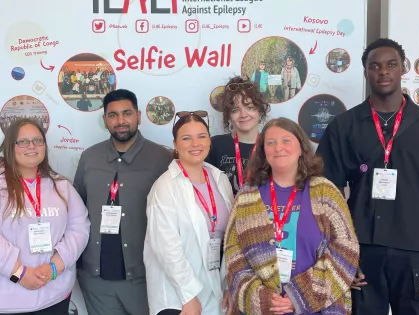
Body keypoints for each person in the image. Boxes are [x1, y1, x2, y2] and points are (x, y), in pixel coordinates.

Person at [316, 38, 419, 315]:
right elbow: (330, 195)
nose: (383, 72)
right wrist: (342, 256)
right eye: (374, 66)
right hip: (362, 252)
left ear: (403, 68)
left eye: (391, 65)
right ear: (366, 72)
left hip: (416, 255)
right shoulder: (344, 127)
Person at [0, 118, 90, 315]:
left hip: (51, 299)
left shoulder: (61, 186)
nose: (31, 146)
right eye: (22, 141)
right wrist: (18, 273)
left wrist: (55, 267)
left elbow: (79, 228)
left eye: (37, 140)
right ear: (9, 146)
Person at [225, 117, 360, 315]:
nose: (278, 147)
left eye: (286, 140)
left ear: (301, 147)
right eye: (270, 143)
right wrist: (261, 300)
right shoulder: (247, 195)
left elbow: (346, 249)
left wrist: (299, 297)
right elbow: (233, 252)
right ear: (264, 151)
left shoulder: (325, 192)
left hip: (319, 308)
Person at [74, 89, 173, 315]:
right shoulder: (89, 157)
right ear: (105, 120)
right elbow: (76, 214)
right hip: (96, 280)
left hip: (144, 279)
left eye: (127, 113)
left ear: (138, 116)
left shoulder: (162, 159)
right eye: (113, 115)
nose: (120, 121)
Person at [144, 111, 234, 315]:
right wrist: (189, 296)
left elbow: (230, 238)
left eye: (201, 136)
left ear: (209, 141)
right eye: (186, 138)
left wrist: (229, 284)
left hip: (214, 291)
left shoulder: (219, 179)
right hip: (177, 297)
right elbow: (166, 248)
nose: (196, 144)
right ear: (175, 144)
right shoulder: (165, 187)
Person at [207, 76, 270, 195]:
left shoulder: (271, 145)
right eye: (235, 110)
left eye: (250, 107)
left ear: (260, 111)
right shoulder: (215, 145)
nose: (243, 114)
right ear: (229, 115)